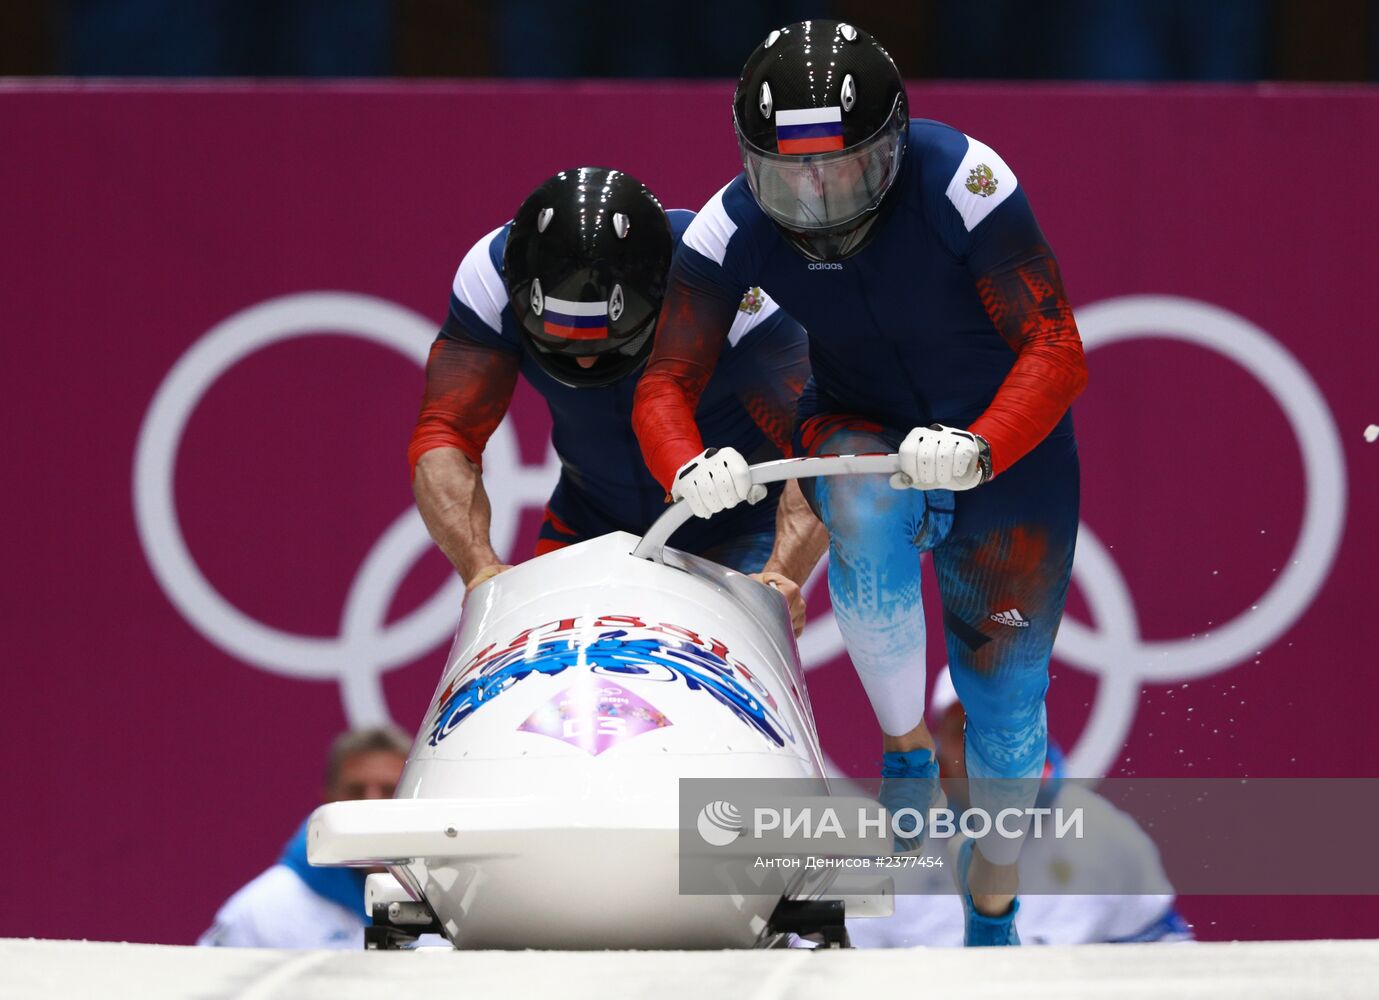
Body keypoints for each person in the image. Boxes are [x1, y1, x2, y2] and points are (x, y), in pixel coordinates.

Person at [631, 21, 1087, 946]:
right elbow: (664, 381)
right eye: (789, 174)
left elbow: (1054, 346)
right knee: (863, 504)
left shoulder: (963, 182)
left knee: (1005, 712)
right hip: (860, 422)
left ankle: (991, 895)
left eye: (844, 169)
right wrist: (684, 460)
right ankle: (902, 742)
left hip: (1007, 456)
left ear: (892, 146)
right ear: (750, 161)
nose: (816, 196)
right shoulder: (728, 228)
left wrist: (985, 443)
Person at [408, 167, 825, 631]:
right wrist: (481, 569)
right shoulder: (491, 277)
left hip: (741, 527)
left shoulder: (717, 273)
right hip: (589, 521)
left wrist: (781, 574)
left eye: (604, 341)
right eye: (564, 343)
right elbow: (447, 435)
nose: (586, 364)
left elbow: (817, 434)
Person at [849, 670, 1193, 947]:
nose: (986, 745)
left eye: (1002, 726)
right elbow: (846, 979)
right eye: (965, 728)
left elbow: (1168, 967)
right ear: (939, 746)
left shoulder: (1105, 834)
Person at [198, 726, 410, 949]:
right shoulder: (260, 911)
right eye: (356, 791)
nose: (371, 806)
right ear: (328, 800)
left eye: (389, 790)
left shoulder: (445, 906)